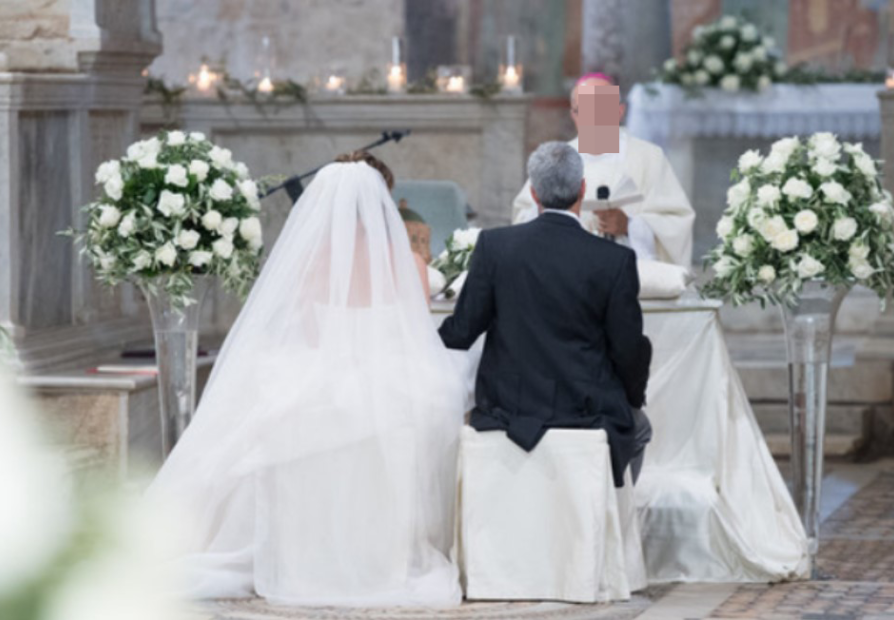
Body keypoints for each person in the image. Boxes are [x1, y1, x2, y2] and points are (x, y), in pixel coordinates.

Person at [148, 151, 466, 607]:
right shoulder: (409, 262)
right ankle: (383, 548)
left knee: (268, 421)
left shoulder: (313, 260)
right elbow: (414, 334)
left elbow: (308, 332)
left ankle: (301, 547)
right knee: (440, 398)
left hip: (326, 376)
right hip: (392, 381)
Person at [439, 141, 652, 489]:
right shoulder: (614, 261)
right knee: (639, 427)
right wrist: (630, 397)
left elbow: (461, 332)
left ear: (534, 193)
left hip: (508, 406)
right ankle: (610, 523)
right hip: (586, 408)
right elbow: (627, 349)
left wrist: (416, 328)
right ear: (582, 189)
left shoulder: (495, 247)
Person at [512, 73, 696, 268]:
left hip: (627, 275)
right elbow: (523, 217)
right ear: (574, 114)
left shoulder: (648, 157)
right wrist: (547, 214)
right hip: (564, 271)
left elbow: (677, 222)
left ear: (619, 111)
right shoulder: (554, 159)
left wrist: (630, 226)